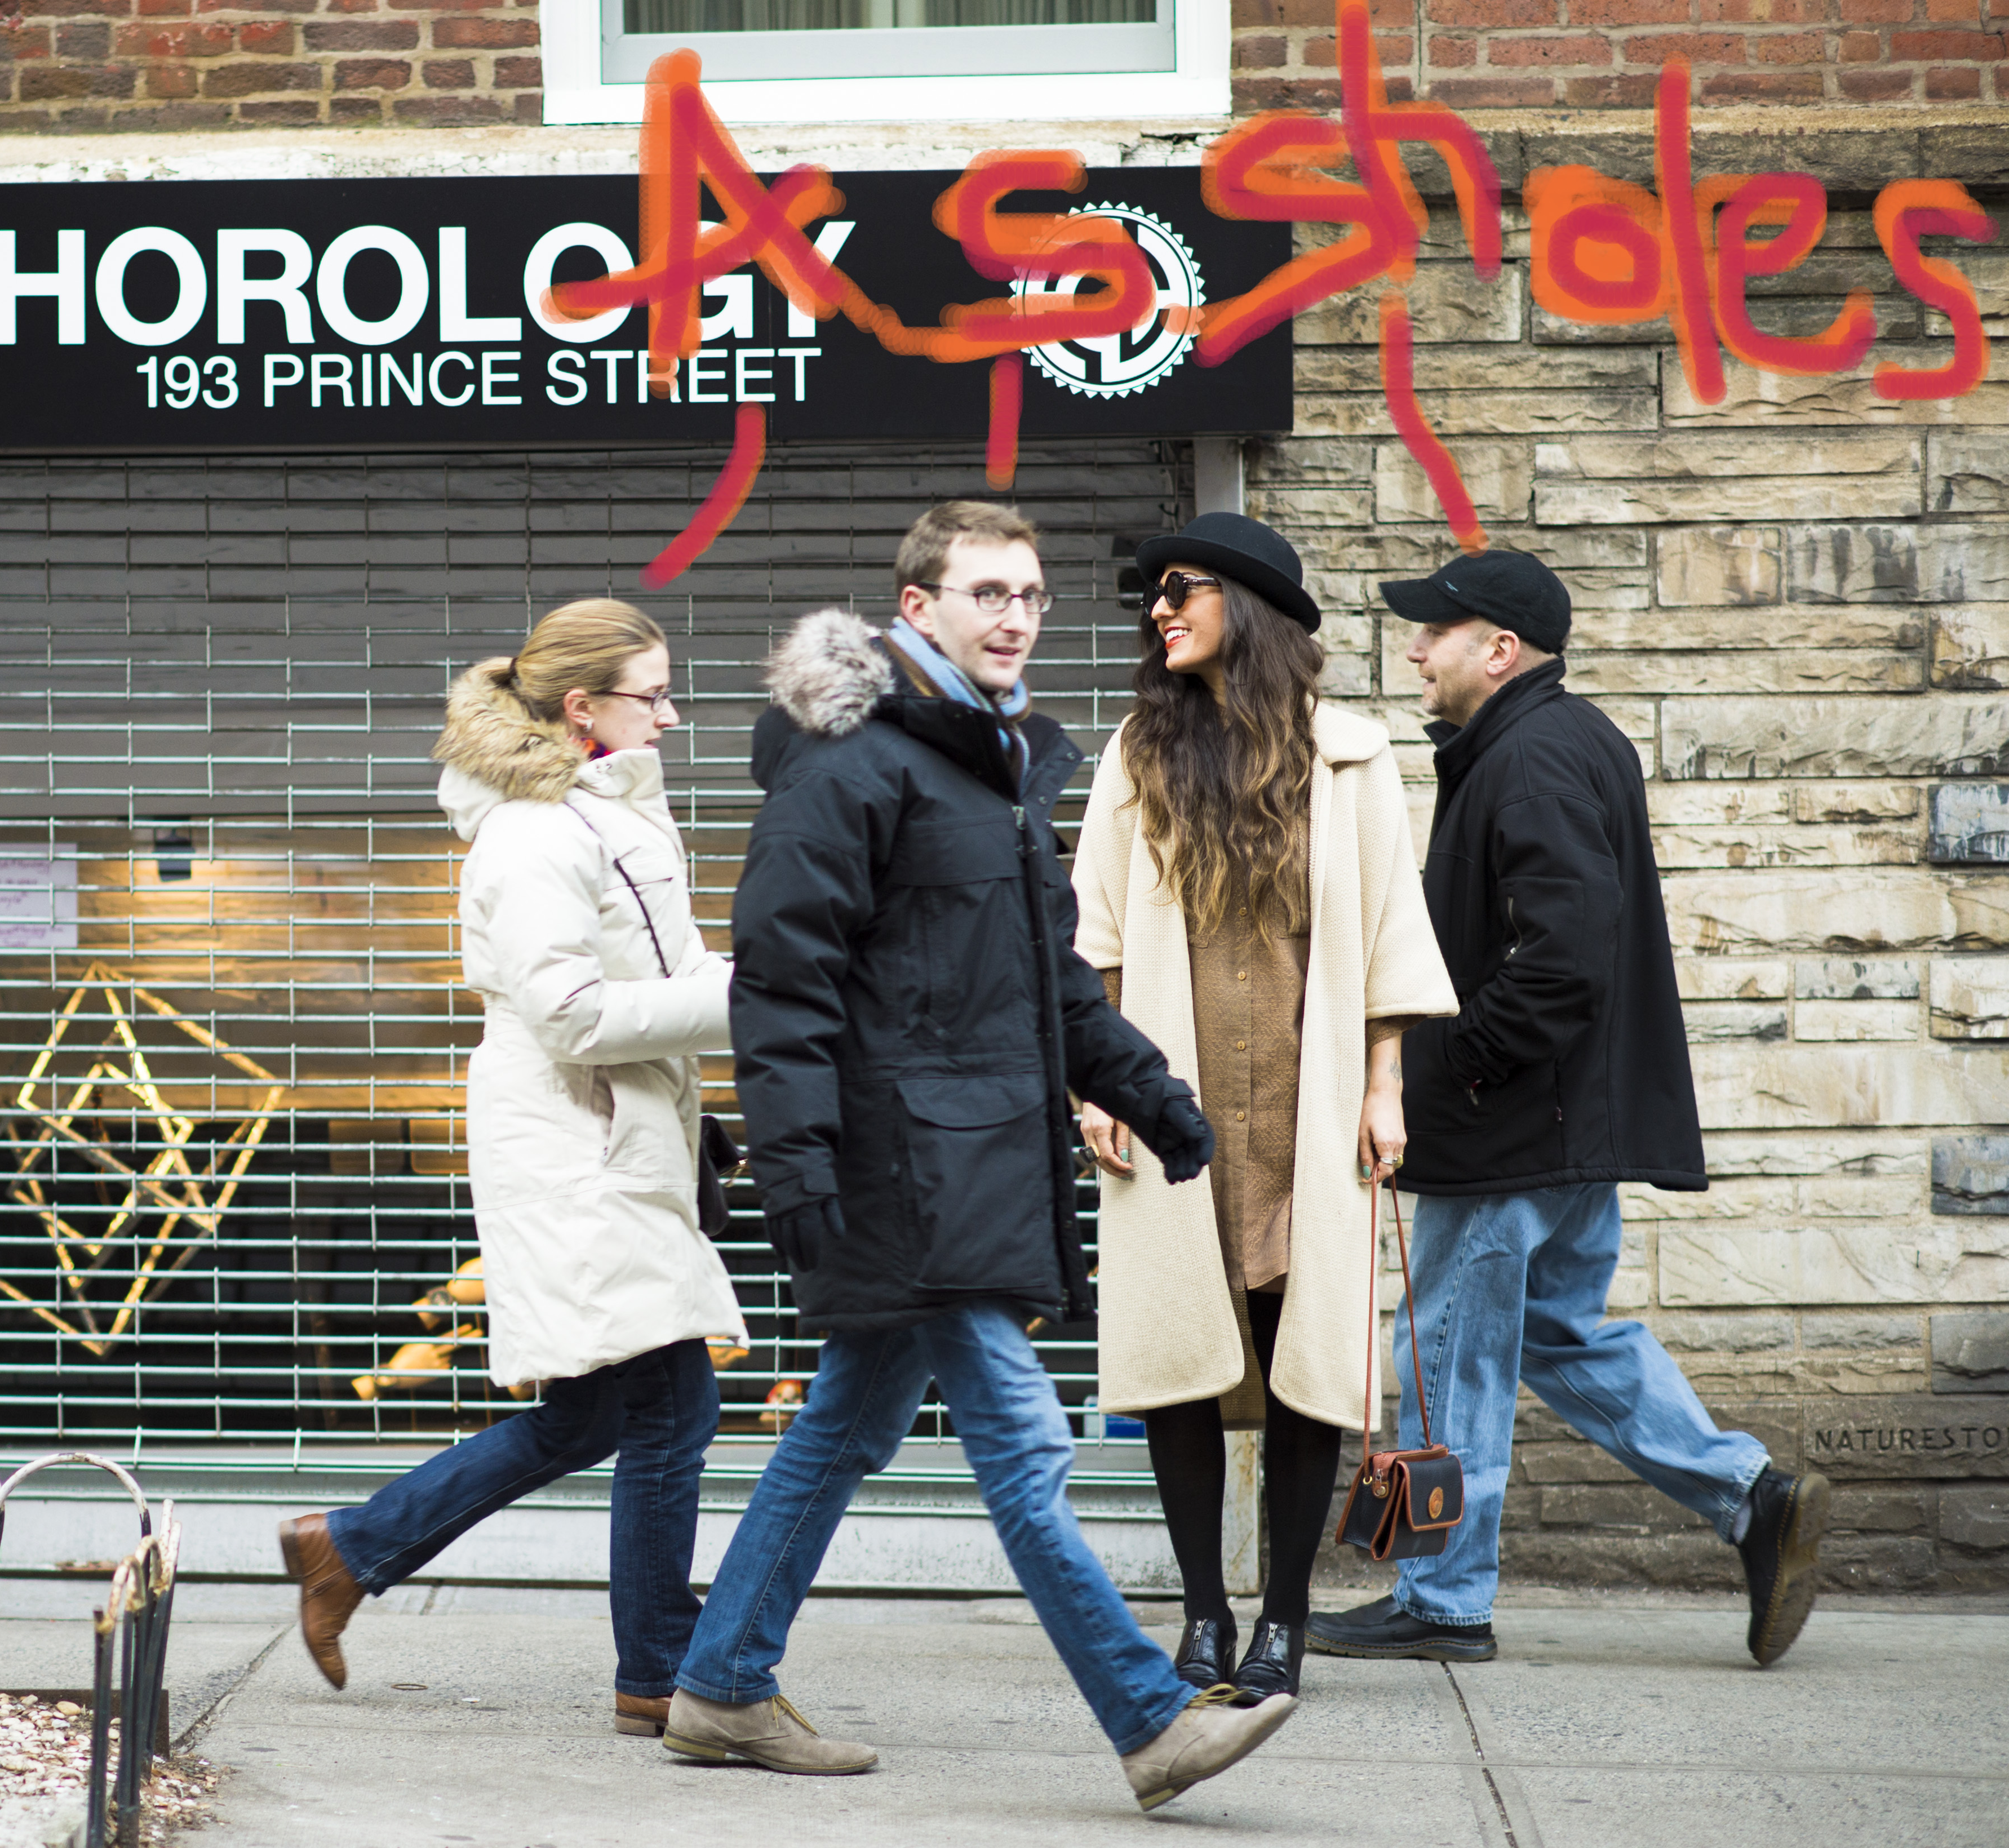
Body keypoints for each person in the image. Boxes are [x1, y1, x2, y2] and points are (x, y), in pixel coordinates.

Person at [659, 500, 1299, 1815]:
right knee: (1021, 1440)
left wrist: (1153, 1095)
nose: (1016, 617)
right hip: (904, 1173)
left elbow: (1044, 983)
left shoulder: (986, 767)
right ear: (916, 609)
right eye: (987, 594)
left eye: (1032, 597)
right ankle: (1148, 1715)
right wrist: (797, 1169)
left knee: (839, 1428)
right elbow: (783, 987)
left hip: (970, 1164)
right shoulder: (850, 768)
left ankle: (721, 1681)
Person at [1307, 549, 1833, 1669]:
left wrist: (1454, 1075)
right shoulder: (1557, 738)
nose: (1413, 647)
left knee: (1441, 1352)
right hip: (1558, 1129)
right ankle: (1751, 1496)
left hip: (1510, 1130)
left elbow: (1561, 960)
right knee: (1557, 1332)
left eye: (1433, 630)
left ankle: (1441, 1598)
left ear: (1497, 648)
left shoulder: (1532, 756)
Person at [277, 598, 747, 1736]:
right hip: (578, 1150)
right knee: (674, 1410)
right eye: (653, 694)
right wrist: (756, 994)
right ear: (582, 709)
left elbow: (667, 971)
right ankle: (658, 1671)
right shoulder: (536, 835)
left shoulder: (613, 814)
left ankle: (349, 1544)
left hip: (624, 1142)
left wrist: (756, 975)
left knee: (589, 1417)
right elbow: (576, 1015)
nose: (673, 716)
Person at [1073, 512, 1457, 1707]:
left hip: (1311, 1101)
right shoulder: (1139, 752)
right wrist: (1096, 1079)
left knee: (1307, 1361)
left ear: (1248, 603)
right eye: (1154, 593)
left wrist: (1386, 1087)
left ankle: (1282, 1619)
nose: (1157, 609)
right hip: (1172, 1098)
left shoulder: (1349, 758)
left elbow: (1392, 933)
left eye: (1178, 588)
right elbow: (1092, 938)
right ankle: (1201, 1612)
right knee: (1182, 1351)